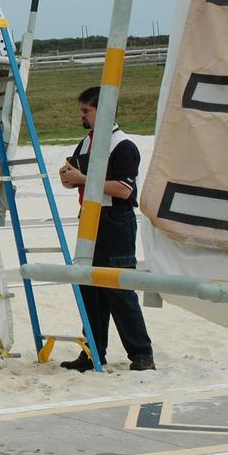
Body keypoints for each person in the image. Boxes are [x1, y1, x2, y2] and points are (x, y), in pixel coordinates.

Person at [57, 86, 155, 372]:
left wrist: (82, 177)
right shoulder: (85, 143)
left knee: (119, 290)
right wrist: (69, 178)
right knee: (89, 287)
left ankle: (141, 354)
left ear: (103, 111)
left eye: (86, 110)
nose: (82, 115)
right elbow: (74, 179)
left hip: (115, 219)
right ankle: (92, 352)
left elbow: (124, 190)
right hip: (89, 216)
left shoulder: (123, 145)